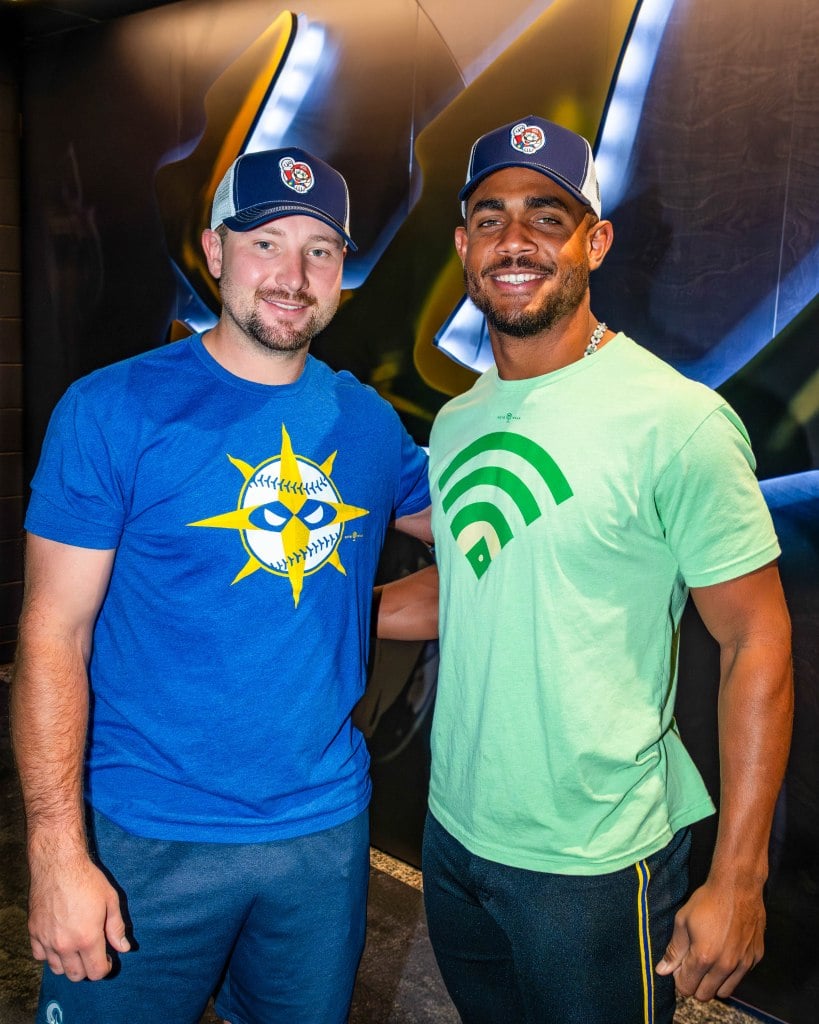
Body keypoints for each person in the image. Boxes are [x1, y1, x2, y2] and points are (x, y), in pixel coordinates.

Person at [11, 146, 434, 1024]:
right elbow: (54, 635)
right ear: (213, 250)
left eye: (320, 249)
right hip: (145, 833)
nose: (292, 274)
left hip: (319, 837)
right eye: (265, 242)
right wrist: (56, 856)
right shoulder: (110, 409)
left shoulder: (363, 421)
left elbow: (488, 551)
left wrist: (362, 611)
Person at [423, 116, 793, 1024]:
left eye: (546, 217)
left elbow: (757, 639)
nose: (514, 240)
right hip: (451, 838)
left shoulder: (675, 421)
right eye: (489, 217)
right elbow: (476, 584)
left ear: (594, 240)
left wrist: (738, 878)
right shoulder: (457, 422)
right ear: (463, 244)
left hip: (592, 865)